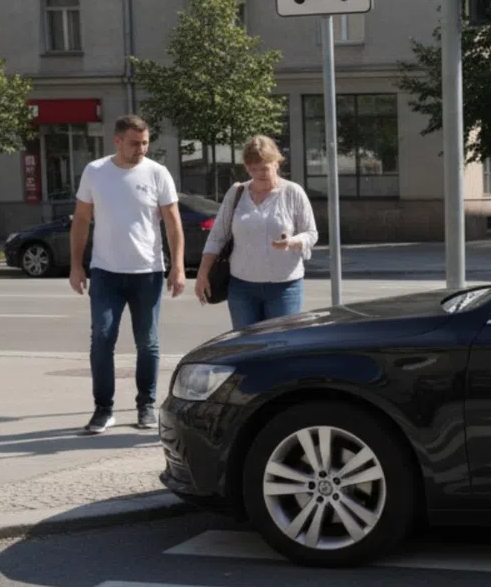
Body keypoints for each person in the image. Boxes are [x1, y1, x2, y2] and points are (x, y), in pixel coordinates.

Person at [69, 114, 185, 435]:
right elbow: (81, 220)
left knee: (147, 344)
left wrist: (177, 266)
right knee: (102, 339)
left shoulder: (157, 173)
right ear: (117, 141)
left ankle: (146, 405)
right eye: (135, 143)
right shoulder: (96, 172)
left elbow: (173, 223)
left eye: (146, 142)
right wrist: (76, 265)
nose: (142, 149)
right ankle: (103, 409)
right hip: (105, 272)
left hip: (147, 271)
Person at [196, 135, 318, 329]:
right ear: (246, 167)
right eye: (253, 169)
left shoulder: (293, 192)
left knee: (281, 344)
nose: (259, 173)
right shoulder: (237, 193)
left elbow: (311, 233)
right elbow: (217, 237)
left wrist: (293, 242)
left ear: (277, 163)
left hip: (284, 287)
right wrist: (202, 274)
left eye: (264, 167)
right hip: (242, 287)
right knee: (246, 346)